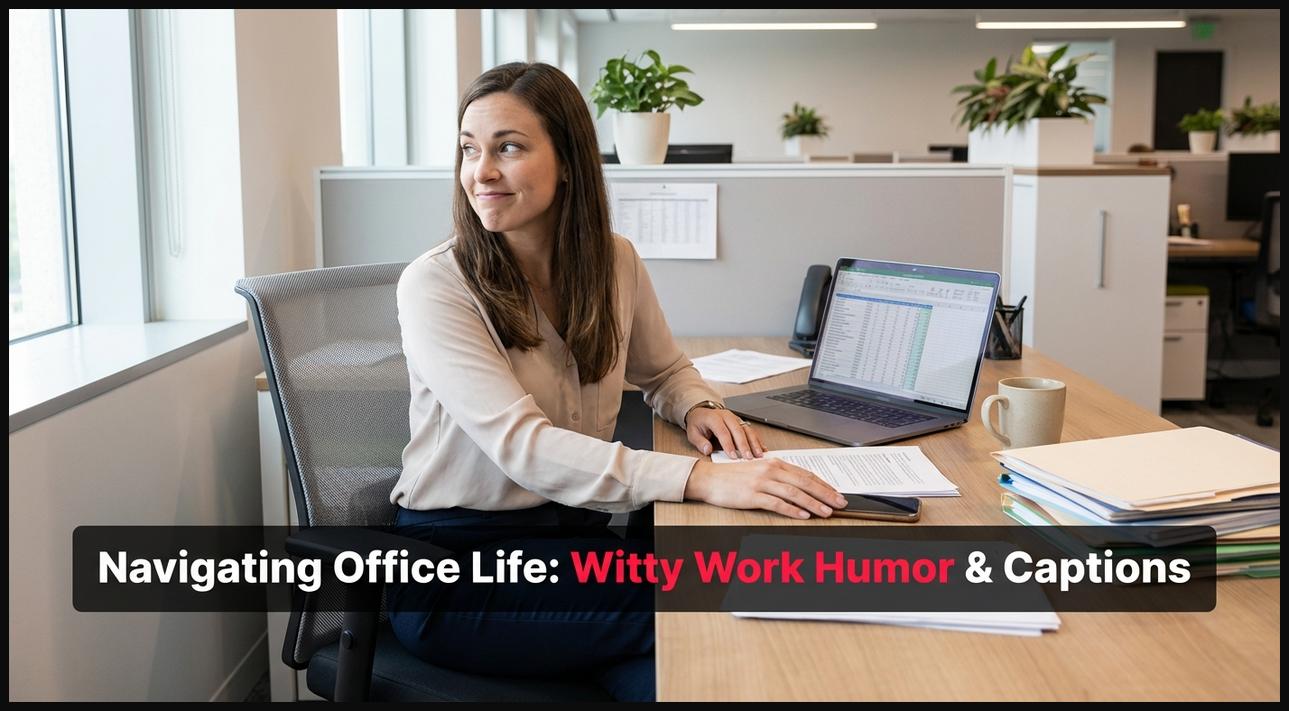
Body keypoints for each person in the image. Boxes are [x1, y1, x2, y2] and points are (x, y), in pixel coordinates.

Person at [388, 61, 845, 702]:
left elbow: (663, 370)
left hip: (574, 545)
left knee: (703, 659)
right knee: (709, 609)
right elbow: (524, 448)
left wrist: (695, 406)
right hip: (461, 570)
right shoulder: (438, 285)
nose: (480, 172)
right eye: (469, 150)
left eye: (508, 148)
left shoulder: (613, 260)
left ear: (568, 160)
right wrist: (702, 478)